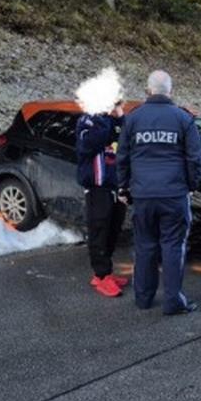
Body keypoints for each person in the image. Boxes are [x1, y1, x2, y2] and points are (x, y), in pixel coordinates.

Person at [117, 70, 201, 315]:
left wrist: (123, 186)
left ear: (148, 90)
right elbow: (194, 158)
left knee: (145, 246)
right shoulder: (183, 119)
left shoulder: (133, 119)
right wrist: (191, 184)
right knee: (173, 246)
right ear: (170, 91)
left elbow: (122, 156)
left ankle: (143, 298)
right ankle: (173, 301)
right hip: (174, 194)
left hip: (143, 195)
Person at [75, 99, 129, 297]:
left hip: (115, 185)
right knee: (99, 230)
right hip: (97, 186)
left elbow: (126, 135)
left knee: (113, 230)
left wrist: (121, 115)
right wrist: (106, 116)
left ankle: (106, 272)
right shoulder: (87, 121)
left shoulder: (110, 121)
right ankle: (100, 275)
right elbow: (92, 143)